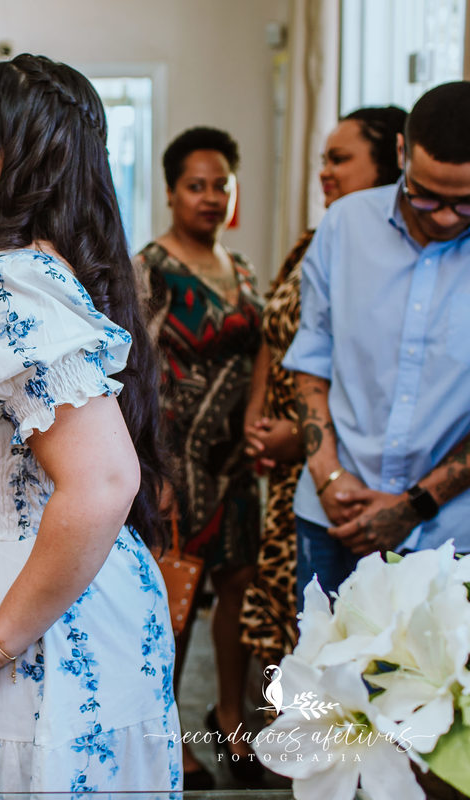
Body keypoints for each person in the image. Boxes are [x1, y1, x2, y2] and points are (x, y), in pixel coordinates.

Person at [0, 54, 180, 793]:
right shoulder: (4, 274)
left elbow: (104, 479)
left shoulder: (10, 282)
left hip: (39, 641)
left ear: (13, 157)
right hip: (13, 606)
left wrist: (0, 636)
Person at [283, 81, 470, 599]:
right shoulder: (345, 225)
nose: (446, 217)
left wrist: (413, 505)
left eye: (465, 204)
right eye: (427, 196)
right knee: (318, 654)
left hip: (451, 534)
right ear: (402, 154)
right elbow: (313, 357)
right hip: (330, 517)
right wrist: (329, 477)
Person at [239, 106, 406, 670]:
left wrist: (300, 437)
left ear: (391, 161)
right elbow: (276, 333)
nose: (324, 172)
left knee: (350, 648)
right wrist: (257, 418)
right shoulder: (315, 239)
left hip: (338, 463)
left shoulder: (400, 258)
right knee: (297, 629)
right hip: (299, 471)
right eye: (322, 160)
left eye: (340, 159)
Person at [133, 126, 263, 787]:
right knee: (174, 604)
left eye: (221, 186)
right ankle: (171, 735)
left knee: (238, 590)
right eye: (195, 186)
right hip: (174, 466)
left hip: (234, 467)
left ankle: (233, 720)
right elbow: (132, 372)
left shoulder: (242, 270)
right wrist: (148, 469)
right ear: (171, 192)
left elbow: (262, 356)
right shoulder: (149, 267)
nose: (210, 197)